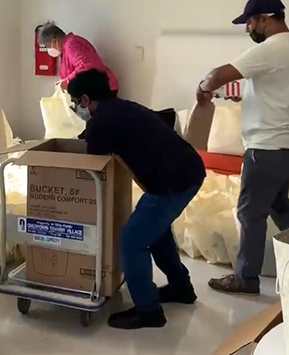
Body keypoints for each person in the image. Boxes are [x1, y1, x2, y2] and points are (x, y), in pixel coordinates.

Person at [68, 69, 206, 330]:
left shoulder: (100, 123)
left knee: (132, 239)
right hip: (188, 169)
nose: (76, 108)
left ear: (85, 100)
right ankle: (181, 288)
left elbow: (91, 167)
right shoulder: (122, 106)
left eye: (76, 102)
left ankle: (148, 311)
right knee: (155, 230)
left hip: (171, 182)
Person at [196, 0, 289, 295]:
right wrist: (245, 97)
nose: (248, 29)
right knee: (279, 206)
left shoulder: (273, 47)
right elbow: (275, 89)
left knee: (250, 212)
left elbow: (217, 75)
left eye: (249, 22)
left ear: (265, 18)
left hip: (268, 149)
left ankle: (245, 278)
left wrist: (202, 89)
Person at [36, 22, 119, 95]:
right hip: (94, 91)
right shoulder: (66, 48)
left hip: (101, 91)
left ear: (54, 41)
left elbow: (86, 66)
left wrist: (67, 81)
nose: (49, 49)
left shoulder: (72, 45)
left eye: (48, 46)